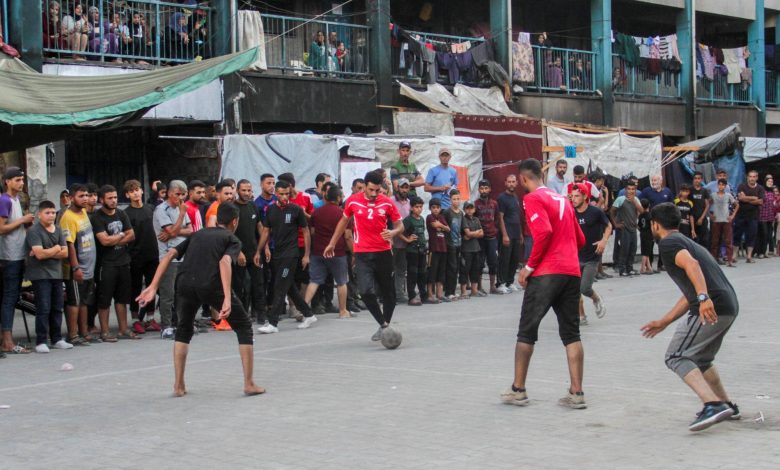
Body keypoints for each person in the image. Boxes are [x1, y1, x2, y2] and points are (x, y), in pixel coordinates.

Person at [137, 203, 265, 397]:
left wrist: (153, 286)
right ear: (235, 221)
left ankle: (178, 386)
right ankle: (249, 383)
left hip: (185, 283)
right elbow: (224, 262)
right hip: (211, 284)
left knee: (183, 330)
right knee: (244, 326)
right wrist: (227, 299)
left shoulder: (198, 234)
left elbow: (170, 253)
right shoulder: (232, 238)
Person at [640, 203, 740, 432]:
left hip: (712, 305)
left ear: (656, 224)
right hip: (728, 305)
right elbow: (690, 292)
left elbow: (692, 267)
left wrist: (704, 298)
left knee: (675, 356)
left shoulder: (669, 243)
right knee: (701, 360)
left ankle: (712, 405)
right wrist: (665, 321)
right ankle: (727, 405)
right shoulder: (687, 242)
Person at [501, 159, 586, 409]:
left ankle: (518, 389)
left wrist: (528, 267)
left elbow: (544, 232)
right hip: (572, 272)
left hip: (547, 273)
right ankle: (577, 392)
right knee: (572, 333)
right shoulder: (563, 199)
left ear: (525, 179)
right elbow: (579, 239)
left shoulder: (533, 199)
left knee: (526, 331)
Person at [324, 170, 403, 341]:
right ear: (364, 187)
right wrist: (331, 243)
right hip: (362, 253)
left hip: (383, 252)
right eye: (371, 190)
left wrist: (393, 232)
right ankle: (384, 325)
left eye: (377, 190)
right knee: (366, 291)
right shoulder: (353, 201)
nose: (374, 194)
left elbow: (400, 225)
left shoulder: (387, 202)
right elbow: (343, 222)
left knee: (389, 293)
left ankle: (385, 324)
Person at [255, 180, 315, 333]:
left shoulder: (296, 209)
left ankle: (273, 323)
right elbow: (266, 231)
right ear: (276, 193)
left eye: (286, 194)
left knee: (280, 286)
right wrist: (258, 251)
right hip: (277, 254)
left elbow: (306, 232)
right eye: (281, 194)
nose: (284, 197)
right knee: (289, 287)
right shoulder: (270, 210)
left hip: (292, 254)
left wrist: (306, 255)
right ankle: (308, 314)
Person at [92, 185, 137, 342]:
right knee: (104, 300)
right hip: (106, 264)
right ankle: (105, 332)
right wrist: (121, 235)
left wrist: (117, 237)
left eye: (115, 197)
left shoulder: (121, 213)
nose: (113, 201)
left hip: (123, 261)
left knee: (122, 298)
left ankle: (123, 329)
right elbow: (104, 241)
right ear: (101, 200)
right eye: (110, 198)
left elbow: (131, 235)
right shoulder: (97, 217)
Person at [26, 200, 71, 353]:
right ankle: (41, 341)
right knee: (43, 308)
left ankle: (57, 338)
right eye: (47, 213)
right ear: (39, 215)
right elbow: (39, 255)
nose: (51, 215)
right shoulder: (34, 231)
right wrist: (57, 248)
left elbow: (66, 253)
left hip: (56, 274)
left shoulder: (58, 230)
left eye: (53, 212)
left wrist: (49, 251)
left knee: (57, 307)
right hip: (40, 275)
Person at [0, 167, 35, 354]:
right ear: (7, 181)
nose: (21, 183)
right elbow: (1, 228)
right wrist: (22, 220)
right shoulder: (4, 200)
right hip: (9, 256)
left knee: (10, 297)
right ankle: (8, 341)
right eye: (17, 180)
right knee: (9, 298)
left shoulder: (16, 200)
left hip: (18, 254)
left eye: (22, 180)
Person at [304, 185, 352, 318]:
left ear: (325, 196)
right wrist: (354, 253)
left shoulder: (317, 212)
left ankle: (304, 309)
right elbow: (348, 235)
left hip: (318, 251)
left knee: (314, 281)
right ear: (338, 198)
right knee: (342, 281)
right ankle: (343, 311)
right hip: (337, 252)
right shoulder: (343, 214)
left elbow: (312, 232)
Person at [153, 180, 192, 339]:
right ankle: (166, 326)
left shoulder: (181, 207)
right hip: (168, 256)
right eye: (177, 194)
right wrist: (180, 217)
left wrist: (175, 231)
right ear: (169, 193)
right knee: (168, 293)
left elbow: (190, 230)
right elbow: (171, 231)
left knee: (181, 293)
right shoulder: (162, 209)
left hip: (183, 255)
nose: (180, 198)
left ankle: (180, 323)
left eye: (183, 194)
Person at [59, 183, 97, 347]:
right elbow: (70, 245)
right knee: (74, 301)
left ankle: (84, 332)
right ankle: (73, 334)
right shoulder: (68, 217)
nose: (85, 199)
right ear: (71, 197)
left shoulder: (83, 212)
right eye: (81, 196)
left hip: (89, 266)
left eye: (86, 195)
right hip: (77, 268)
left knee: (84, 301)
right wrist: (75, 268)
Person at [123, 180, 160, 334]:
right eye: (132, 191)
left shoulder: (150, 209)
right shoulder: (126, 213)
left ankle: (150, 318)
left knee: (152, 286)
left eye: (137, 190)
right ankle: (135, 319)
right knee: (135, 288)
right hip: (135, 257)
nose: (136, 193)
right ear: (127, 195)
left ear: (142, 191)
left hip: (152, 255)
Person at [571, 184, 610, 325]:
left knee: (584, 288)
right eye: (572, 196)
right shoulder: (571, 212)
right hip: (575, 256)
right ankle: (582, 316)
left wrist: (603, 240)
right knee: (574, 290)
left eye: (577, 196)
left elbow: (608, 225)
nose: (573, 199)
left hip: (592, 257)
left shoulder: (595, 212)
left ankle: (596, 298)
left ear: (585, 196)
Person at [233, 179, 266, 324]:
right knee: (242, 285)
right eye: (243, 190)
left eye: (249, 190)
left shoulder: (253, 206)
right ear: (237, 191)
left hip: (254, 252)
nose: (247, 193)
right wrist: (238, 252)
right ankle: (242, 315)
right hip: (238, 253)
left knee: (259, 284)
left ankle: (260, 315)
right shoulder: (232, 208)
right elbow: (229, 232)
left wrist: (263, 248)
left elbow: (260, 227)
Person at [610, 180, 643, 276]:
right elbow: (612, 211)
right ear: (625, 190)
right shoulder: (620, 199)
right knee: (624, 249)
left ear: (635, 190)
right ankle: (622, 269)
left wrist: (634, 202)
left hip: (633, 228)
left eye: (633, 189)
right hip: (624, 228)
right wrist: (616, 224)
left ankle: (630, 268)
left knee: (632, 249)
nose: (630, 191)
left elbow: (641, 211)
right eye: (629, 189)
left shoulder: (636, 199)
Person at [496, 174, 523, 294]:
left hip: (516, 233)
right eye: (509, 182)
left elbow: (517, 217)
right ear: (505, 183)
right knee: (504, 259)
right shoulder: (502, 198)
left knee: (514, 259)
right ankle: (500, 283)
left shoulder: (516, 197)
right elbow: (500, 217)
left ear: (517, 183)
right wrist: (505, 235)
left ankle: (510, 282)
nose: (511, 184)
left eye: (513, 181)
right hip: (507, 233)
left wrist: (521, 234)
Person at [399, 196, 427, 306]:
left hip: (422, 250)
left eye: (421, 207)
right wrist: (407, 239)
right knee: (412, 274)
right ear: (411, 208)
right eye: (417, 207)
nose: (419, 209)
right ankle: (412, 296)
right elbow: (399, 231)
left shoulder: (421, 219)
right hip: (412, 251)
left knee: (422, 273)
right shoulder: (408, 220)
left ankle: (423, 295)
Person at [733, 170, 765, 263]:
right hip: (741, 215)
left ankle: (749, 256)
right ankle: (734, 256)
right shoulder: (742, 186)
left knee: (751, 235)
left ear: (757, 178)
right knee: (737, 235)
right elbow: (740, 198)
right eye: (750, 176)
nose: (752, 178)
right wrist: (754, 198)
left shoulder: (760, 188)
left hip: (753, 216)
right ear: (747, 177)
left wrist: (746, 198)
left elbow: (760, 201)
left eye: (754, 176)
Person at [474, 179, 499, 295]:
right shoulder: (475, 204)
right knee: (479, 262)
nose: (484, 190)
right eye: (482, 188)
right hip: (480, 238)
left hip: (492, 237)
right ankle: (479, 287)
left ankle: (492, 286)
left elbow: (498, 219)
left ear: (489, 189)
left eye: (486, 188)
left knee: (493, 262)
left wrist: (496, 230)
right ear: (479, 190)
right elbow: (473, 220)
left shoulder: (494, 203)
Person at [441, 189, 465, 301]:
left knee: (456, 268)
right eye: (454, 199)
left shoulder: (461, 213)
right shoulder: (446, 212)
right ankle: (448, 292)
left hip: (459, 243)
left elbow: (462, 228)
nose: (456, 201)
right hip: (449, 243)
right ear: (450, 200)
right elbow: (443, 227)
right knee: (451, 267)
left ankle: (453, 291)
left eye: (458, 199)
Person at [392, 178, 412, 303]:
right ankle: (387, 295)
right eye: (402, 187)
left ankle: (399, 294)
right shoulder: (391, 201)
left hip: (405, 243)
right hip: (393, 240)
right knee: (389, 270)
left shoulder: (410, 202)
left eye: (406, 187)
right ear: (397, 188)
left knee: (401, 270)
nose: (404, 190)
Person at [710, 179, 738, 267]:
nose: (721, 186)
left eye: (723, 185)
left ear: (725, 186)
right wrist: (710, 215)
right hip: (716, 220)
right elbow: (707, 204)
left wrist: (732, 215)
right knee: (715, 241)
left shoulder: (728, 195)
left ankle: (729, 261)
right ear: (717, 186)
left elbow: (737, 205)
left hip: (726, 220)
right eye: (719, 184)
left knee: (728, 241)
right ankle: (714, 259)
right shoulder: (713, 195)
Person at [426, 199, 448, 303]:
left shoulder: (442, 217)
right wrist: (440, 226)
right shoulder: (429, 217)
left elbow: (448, 229)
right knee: (432, 271)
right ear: (430, 208)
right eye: (433, 207)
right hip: (433, 249)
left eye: (437, 208)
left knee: (441, 271)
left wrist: (441, 226)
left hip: (443, 248)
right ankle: (430, 294)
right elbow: (434, 225)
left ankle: (439, 294)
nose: (435, 210)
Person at [461, 201, 484, 299]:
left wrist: (471, 234)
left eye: (471, 208)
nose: (469, 210)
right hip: (466, 249)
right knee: (465, 270)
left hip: (476, 248)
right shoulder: (464, 219)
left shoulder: (476, 219)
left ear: (474, 209)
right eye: (467, 208)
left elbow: (482, 233)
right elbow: (467, 233)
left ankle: (474, 290)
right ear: (465, 209)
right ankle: (464, 291)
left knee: (475, 269)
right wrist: (475, 233)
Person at [755, 174, 776, 259]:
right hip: (762, 215)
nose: (770, 183)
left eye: (771, 181)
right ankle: (760, 252)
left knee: (768, 235)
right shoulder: (762, 190)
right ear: (765, 181)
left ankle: (764, 252)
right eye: (769, 181)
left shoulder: (772, 192)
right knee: (763, 233)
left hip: (770, 216)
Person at [690, 172, 711, 248]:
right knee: (692, 239)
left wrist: (701, 218)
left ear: (701, 180)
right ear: (693, 180)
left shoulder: (704, 191)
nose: (697, 180)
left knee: (704, 240)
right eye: (695, 178)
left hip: (702, 218)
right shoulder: (690, 190)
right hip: (691, 218)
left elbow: (707, 205)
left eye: (699, 178)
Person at [638, 199, 654, 274]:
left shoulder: (641, 215)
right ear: (649, 205)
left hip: (642, 233)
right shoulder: (649, 215)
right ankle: (642, 267)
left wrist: (641, 230)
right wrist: (654, 234)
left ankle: (649, 267)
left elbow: (638, 226)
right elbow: (651, 226)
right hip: (648, 234)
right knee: (646, 252)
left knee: (645, 250)